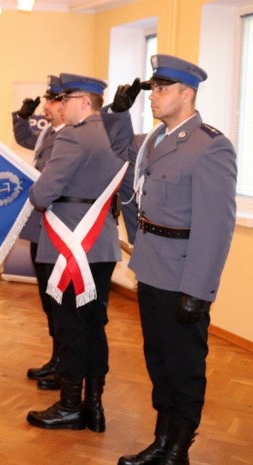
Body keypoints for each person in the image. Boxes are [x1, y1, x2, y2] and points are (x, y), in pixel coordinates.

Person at [117, 55, 237, 465]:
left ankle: (178, 451)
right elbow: (124, 166)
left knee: (184, 365)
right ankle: (161, 440)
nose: (153, 96)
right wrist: (118, 113)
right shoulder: (156, 140)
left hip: (183, 276)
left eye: (162, 89)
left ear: (187, 94)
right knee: (159, 360)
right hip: (152, 270)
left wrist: (198, 290)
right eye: (153, 89)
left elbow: (215, 226)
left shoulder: (210, 146)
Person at [25, 73, 128, 433]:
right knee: (94, 326)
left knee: (70, 328)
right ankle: (94, 406)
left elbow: (42, 194)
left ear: (84, 102)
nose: (59, 106)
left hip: (70, 246)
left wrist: (37, 189)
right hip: (100, 245)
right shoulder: (112, 135)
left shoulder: (72, 136)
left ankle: (70, 406)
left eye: (65, 99)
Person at [12, 75, 66, 391]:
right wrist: (21, 116)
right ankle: (56, 358)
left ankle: (63, 364)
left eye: (52, 100)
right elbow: (24, 138)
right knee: (48, 300)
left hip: (57, 231)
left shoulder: (70, 138)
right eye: (46, 100)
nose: (45, 106)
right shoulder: (49, 132)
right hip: (39, 229)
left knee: (57, 300)